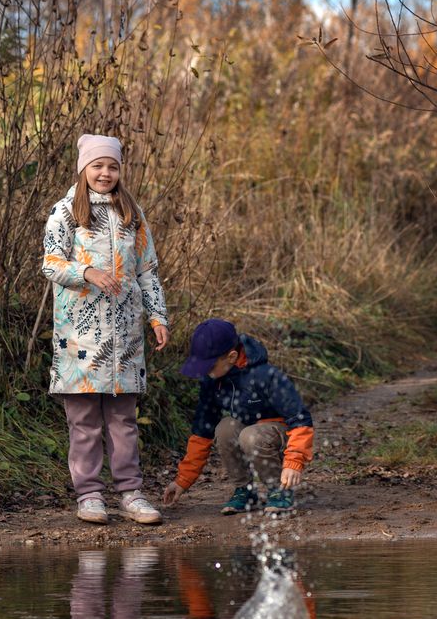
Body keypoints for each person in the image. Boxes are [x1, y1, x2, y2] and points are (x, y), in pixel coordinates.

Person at [42, 133, 169, 525]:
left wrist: (157, 316)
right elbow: (49, 263)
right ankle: (90, 495)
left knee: (123, 420)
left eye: (112, 166)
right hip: (79, 340)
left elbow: (147, 270)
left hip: (125, 341)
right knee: (83, 422)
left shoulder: (132, 213)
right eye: (97, 165)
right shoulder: (65, 212)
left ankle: (130, 493)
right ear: (84, 169)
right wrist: (88, 272)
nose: (105, 172)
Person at [162, 319, 314, 514]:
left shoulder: (265, 376)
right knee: (225, 428)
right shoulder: (212, 382)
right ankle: (245, 490)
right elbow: (202, 433)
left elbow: (301, 420)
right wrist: (182, 481)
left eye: (209, 366)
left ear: (232, 357)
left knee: (250, 435)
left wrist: (294, 462)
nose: (205, 373)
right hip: (251, 432)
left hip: (280, 435)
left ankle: (279, 490)